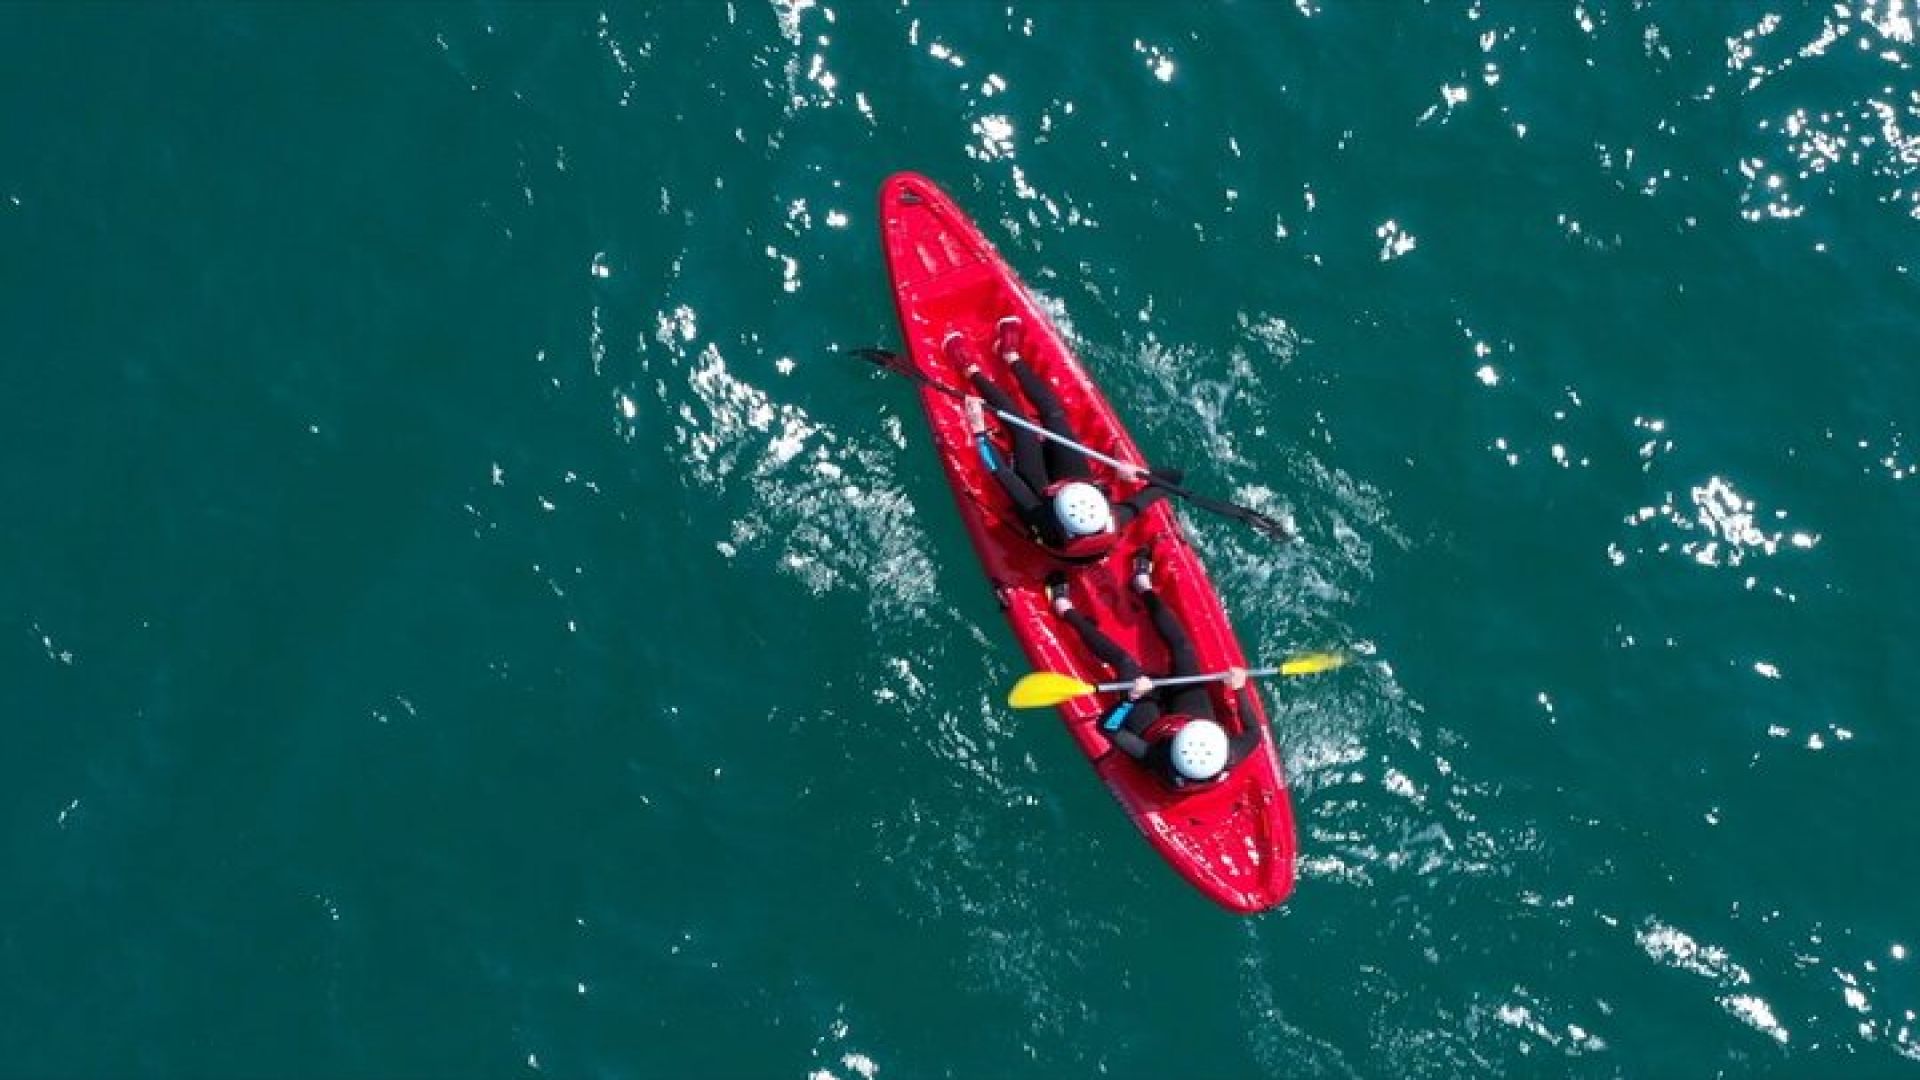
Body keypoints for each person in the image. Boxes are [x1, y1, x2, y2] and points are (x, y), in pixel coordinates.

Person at [950, 316, 1171, 561]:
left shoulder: (1040, 516)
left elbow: (998, 471)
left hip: (1038, 492)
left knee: (1023, 432)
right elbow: (1170, 482)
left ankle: (971, 371)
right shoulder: (1114, 515)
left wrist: (979, 430)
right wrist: (1138, 472)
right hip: (1069, 485)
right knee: (1054, 416)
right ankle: (1011, 355)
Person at [1049, 547, 1262, 788]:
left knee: (1125, 663)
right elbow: (1254, 733)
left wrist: (1131, 698)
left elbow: (1108, 728)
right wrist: (1239, 688)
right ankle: (1142, 584)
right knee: (1183, 649)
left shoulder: (1154, 757)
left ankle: (1064, 609)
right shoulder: (1229, 754)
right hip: (1187, 715)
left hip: (1151, 728)